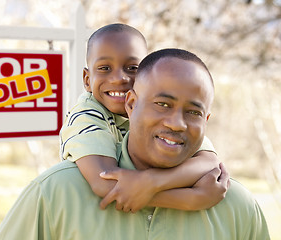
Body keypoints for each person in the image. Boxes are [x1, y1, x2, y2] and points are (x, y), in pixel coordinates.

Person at [0, 48, 270, 240]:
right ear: (131, 103)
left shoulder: (235, 206)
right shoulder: (55, 193)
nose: (177, 123)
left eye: (193, 112)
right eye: (162, 104)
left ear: (206, 120)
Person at [60, 23, 224, 212]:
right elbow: (105, 183)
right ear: (87, 80)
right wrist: (192, 200)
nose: (119, 78)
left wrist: (152, 182)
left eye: (132, 68)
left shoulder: (156, 111)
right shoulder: (86, 116)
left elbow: (209, 161)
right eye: (105, 68)